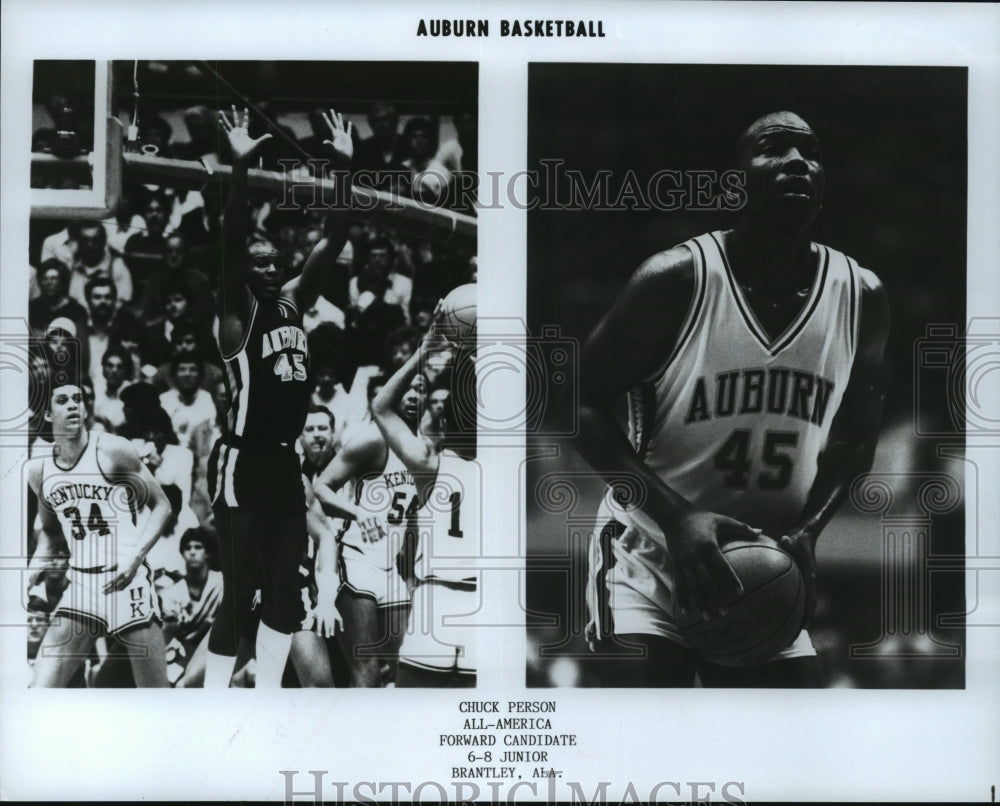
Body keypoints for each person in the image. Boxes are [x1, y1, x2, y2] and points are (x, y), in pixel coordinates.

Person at [577, 111, 889, 687]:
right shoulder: (675, 279)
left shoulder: (860, 295)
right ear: (734, 183)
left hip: (761, 565)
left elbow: (855, 440)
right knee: (644, 746)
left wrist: (808, 533)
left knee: (778, 760)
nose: (799, 161)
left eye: (811, 152)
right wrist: (677, 518)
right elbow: (580, 406)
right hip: (650, 554)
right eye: (775, 148)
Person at [204, 107, 352, 688]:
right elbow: (232, 237)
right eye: (259, 263)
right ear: (243, 269)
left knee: (286, 595)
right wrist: (240, 170)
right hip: (242, 459)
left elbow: (335, 236)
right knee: (240, 594)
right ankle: (213, 701)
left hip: (285, 463)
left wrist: (343, 169)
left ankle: (264, 696)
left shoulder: (292, 300)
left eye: (275, 262)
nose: (270, 269)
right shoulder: (234, 317)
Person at [25, 379, 171, 687]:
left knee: (157, 700)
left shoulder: (112, 450)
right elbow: (51, 534)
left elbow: (162, 506)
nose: (74, 405)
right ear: (47, 415)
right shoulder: (40, 470)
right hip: (82, 584)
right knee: (40, 690)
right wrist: (35, 565)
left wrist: (138, 554)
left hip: (126, 580)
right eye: (63, 400)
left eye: (78, 398)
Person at [370, 322, 478, 687]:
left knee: (414, 723)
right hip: (487, 604)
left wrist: (424, 351)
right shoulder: (508, 467)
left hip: (437, 599)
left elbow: (381, 407)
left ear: (445, 419)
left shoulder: (430, 463)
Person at [312, 371, 427, 687]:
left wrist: (412, 570)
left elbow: (413, 518)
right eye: (407, 390)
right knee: (366, 670)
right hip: (355, 559)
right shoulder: (373, 440)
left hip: (390, 568)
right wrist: (358, 512)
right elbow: (320, 486)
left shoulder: (422, 450)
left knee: (407, 668)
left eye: (421, 390)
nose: (414, 396)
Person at [159, 528, 223, 687]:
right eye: (187, 548)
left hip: (216, 652)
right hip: (181, 656)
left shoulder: (223, 584)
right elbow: (165, 638)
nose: (192, 552)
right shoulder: (172, 593)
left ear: (208, 552)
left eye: (198, 547)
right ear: (182, 553)